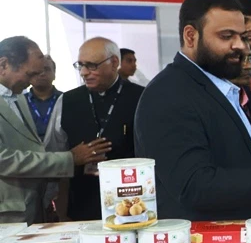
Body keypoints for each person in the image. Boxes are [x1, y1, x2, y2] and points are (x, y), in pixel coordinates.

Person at [135, 0, 251, 221]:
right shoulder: (168, 93)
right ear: (191, 36)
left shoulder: (220, 88)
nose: (241, 46)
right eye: (226, 36)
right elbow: (194, 186)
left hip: (239, 234)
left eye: (242, 36)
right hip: (202, 240)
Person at [0, 36, 108, 224]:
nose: (33, 82)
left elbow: (30, 148)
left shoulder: (18, 97)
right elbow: (4, 160)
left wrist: (47, 195)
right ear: (3, 65)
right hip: (8, 215)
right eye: (30, 74)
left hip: (33, 207)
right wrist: (69, 159)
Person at [46, 37, 144, 221]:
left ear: (114, 63)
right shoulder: (67, 101)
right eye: (80, 65)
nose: (84, 72)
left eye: (91, 66)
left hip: (132, 204)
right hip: (81, 203)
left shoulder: (141, 98)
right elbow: (53, 152)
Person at [25, 55, 60, 139]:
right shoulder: (18, 102)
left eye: (47, 69)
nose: (42, 73)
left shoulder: (66, 100)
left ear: (54, 74)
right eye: (36, 71)